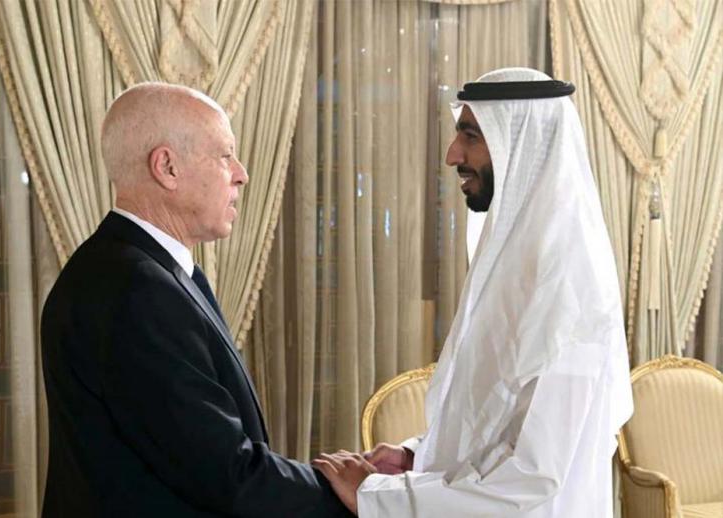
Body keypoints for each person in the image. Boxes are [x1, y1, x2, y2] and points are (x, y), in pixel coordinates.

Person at [312, 67, 634, 517]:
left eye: (471, 136)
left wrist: (375, 497)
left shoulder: (568, 283)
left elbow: (535, 475)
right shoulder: (519, 257)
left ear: (522, 145)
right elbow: (497, 422)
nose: (451, 155)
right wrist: (416, 457)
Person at [41, 82, 353, 517]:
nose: (241, 172)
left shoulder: (142, 268)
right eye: (226, 155)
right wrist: (357, 495)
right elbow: (223, 472)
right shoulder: (136, 288)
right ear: (167, 167)